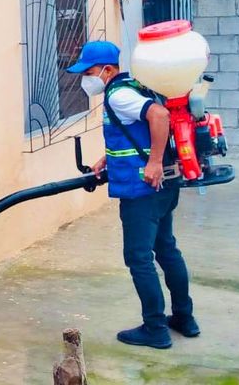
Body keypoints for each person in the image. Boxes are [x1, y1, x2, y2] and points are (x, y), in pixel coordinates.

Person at [68, 40, 200, 349]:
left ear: (107, 70)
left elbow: (160, 117)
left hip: (142, 190)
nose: (86, 79)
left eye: (89, 73)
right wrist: (107, 159)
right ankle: (184, 318)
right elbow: (133, 134)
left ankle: (155, 328)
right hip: (163, 186)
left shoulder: (119, 95)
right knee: (166, 249)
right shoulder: (134, 87)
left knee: (139, 258)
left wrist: (153, 162)